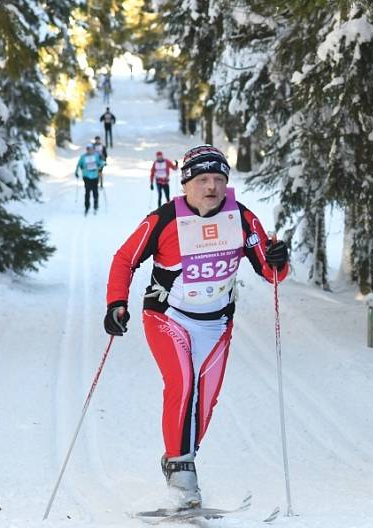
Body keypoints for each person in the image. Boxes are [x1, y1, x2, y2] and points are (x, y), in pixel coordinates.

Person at [104, 145, 289, 508]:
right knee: (182, 383)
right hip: (167, 317)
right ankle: (183, 479)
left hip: (217, 324)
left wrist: (278, 260)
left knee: (205, 403)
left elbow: (270, 272)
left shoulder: (242, 218)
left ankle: (177, 458)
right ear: (185, 183)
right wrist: (116, 304)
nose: (211, 187)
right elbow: (125, 259)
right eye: (202, 179)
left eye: (219, 179)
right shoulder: (163, 219)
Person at [75, 144, 105, 215]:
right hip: (86, 176)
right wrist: (76, 172)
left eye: (91, 149)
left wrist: (103, 163)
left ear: (92, 149)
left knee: (95, 191)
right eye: (88, 149)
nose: (89, 150)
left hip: (95, 176)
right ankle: (87, 206)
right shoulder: (83, 157)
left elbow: (99, 163)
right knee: (87, 191)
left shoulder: (96, 156)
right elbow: (79, 164)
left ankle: (95, 204)